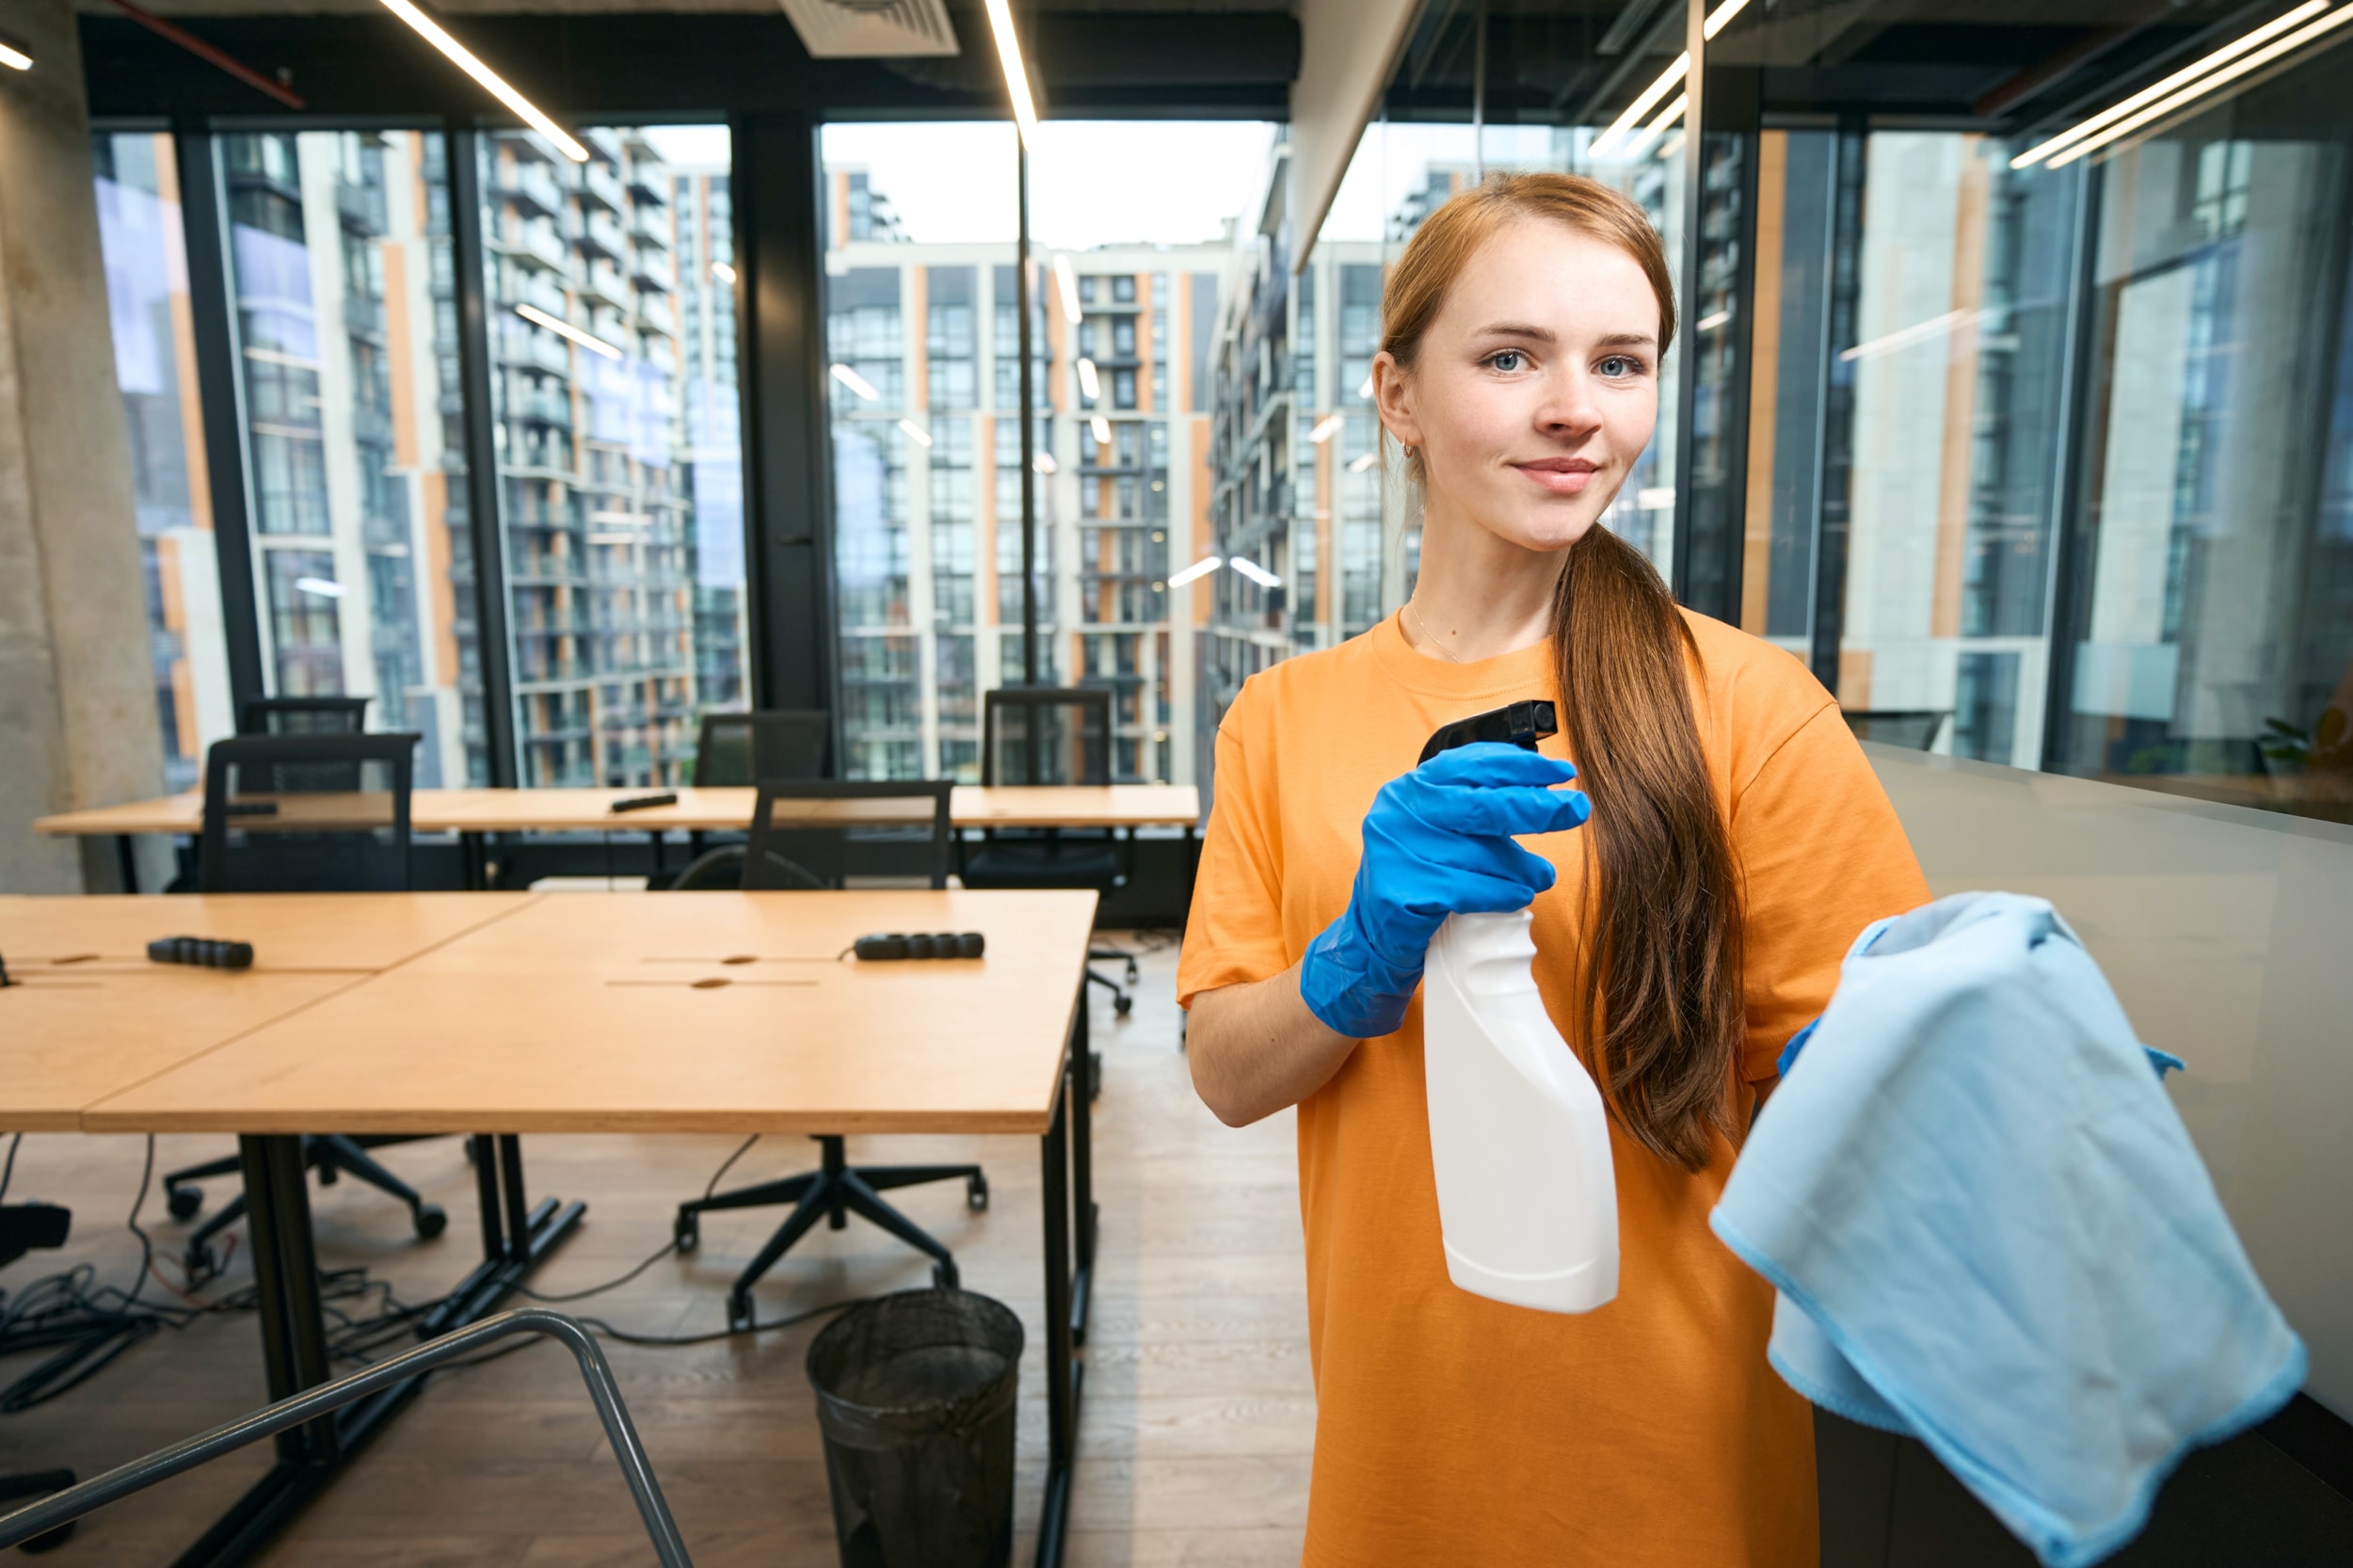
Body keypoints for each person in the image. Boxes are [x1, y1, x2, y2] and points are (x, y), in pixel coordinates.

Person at [1177, 172, 1929, 1566]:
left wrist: (1981, 1060)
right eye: (1512, 356)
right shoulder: (1279, 721)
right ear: (1398, 395)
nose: (1576, 406)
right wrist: (1354, 960)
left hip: (1678, 1456)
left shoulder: (1750, 706)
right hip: (1402, 1449)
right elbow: (1226, 1071)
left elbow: (1872, 1106)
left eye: (1620, 362)